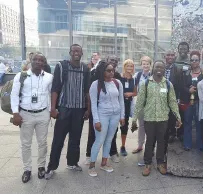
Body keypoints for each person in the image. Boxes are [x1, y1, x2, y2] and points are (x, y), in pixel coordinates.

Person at [45, 44, 90, 179]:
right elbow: (55, 89)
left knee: (75, 139)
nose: (76, 53)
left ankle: (72, 163)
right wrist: (53, 108)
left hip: (79, 109)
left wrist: (88, 108)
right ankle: (51, 167)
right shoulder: (61, 66)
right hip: (64, 108)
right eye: (74, 51)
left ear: (82, 53)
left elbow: (87, 91)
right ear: (70, 52)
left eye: (79, 51)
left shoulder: (85, 69)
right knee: (58, 139)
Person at [132, 60, 182, 176]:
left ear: (165, 70)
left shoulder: (168, 84)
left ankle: (160, 163)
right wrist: (134, 119)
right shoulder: (145, 83)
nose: (159, 69)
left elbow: (173, 102)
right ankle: (147, 164)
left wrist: (178, 117)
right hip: (149, 118)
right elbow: (139, 102)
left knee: (161, 141)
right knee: (149, 141)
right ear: (153, 69)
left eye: (162, 67)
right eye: (157, 67)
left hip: (163, 119)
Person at [10, 52, 53, 183]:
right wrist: (16, 113)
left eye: (41, 60)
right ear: (31, 60)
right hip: (25, 114)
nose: (38, 62)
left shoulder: (49, 77)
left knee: (42, 143)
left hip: (42, 114)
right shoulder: (21, 76)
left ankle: (41, 166)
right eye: (36, 59)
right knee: (26, 144)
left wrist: (50, 111)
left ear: (44, 63)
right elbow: (14, 95)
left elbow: (51, 94)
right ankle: (27, 169)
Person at [88, 61, 125, 177]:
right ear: (102, 71)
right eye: (108, 71)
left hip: (115, 115)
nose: (111, 73)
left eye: (112, 70)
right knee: (99, 140)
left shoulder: (117, 82)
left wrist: (122, 116)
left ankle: (104, 163)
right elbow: (93, 104)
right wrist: (96, 121)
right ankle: (92, 165)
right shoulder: (95, 84)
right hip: (102, 115)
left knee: (109, 140)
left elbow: (121, 101)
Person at [180, 50, 203, 151]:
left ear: (199, 61)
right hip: (188, 102)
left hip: (199, 102)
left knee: (199, 124)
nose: (194, 62)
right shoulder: (186, 73)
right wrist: (188, 90)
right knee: (187, 122)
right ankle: (187, 144)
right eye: (192, 60)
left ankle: (200, 145)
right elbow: (181, 86)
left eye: (196, 60)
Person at [117, 59, 137, 156]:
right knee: (114, 126)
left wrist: (131, 93)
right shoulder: (119, 78)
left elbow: (135, 92)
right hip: (118, 104)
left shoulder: (133, 79)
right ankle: (111, 148)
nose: (130, 68)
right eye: (128, 66)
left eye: (131, 66)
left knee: (124, 126)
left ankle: (123, 146)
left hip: (128, 104)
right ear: (124, 67)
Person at [132, 56, 152, 155]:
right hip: (141, 105)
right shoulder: (138, 75)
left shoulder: (153, 75)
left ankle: (150, 147)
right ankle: (140, 145)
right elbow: (135, 90)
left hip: (151, 105)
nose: (145, 65)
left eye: (147, 64)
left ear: (150, 65)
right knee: (141, 126)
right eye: (144, 64)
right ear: (141, 65)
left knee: (151, 127)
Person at [164, 50, 183, 144]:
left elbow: (179, 85)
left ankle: (172, 134)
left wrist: (178, 98)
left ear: (175, 57)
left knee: (172, 117)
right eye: (168, 54)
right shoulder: (160, 67)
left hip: (172, 97)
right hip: (161, 98)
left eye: (172, 55)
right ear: (165, 56)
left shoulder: (178, 70)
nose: (170, 57)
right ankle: (163, 134)